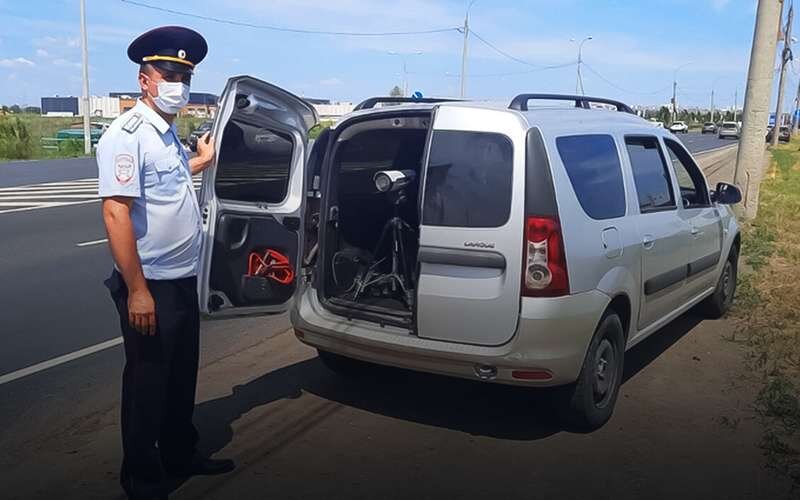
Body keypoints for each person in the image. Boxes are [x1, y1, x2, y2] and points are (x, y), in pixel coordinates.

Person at [97, 26, 234, 500]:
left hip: (181, 280)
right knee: (146, 386)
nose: (178, 84)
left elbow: (166, 180)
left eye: (184, 76)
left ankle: (180, 453)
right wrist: (137, 291)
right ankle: (142, 479)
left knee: (179, 378)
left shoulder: (166, 134)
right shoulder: (127, 134)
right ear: (145, 80)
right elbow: (116, 212)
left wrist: (202, 162)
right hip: (150, 284)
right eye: (168, 75)